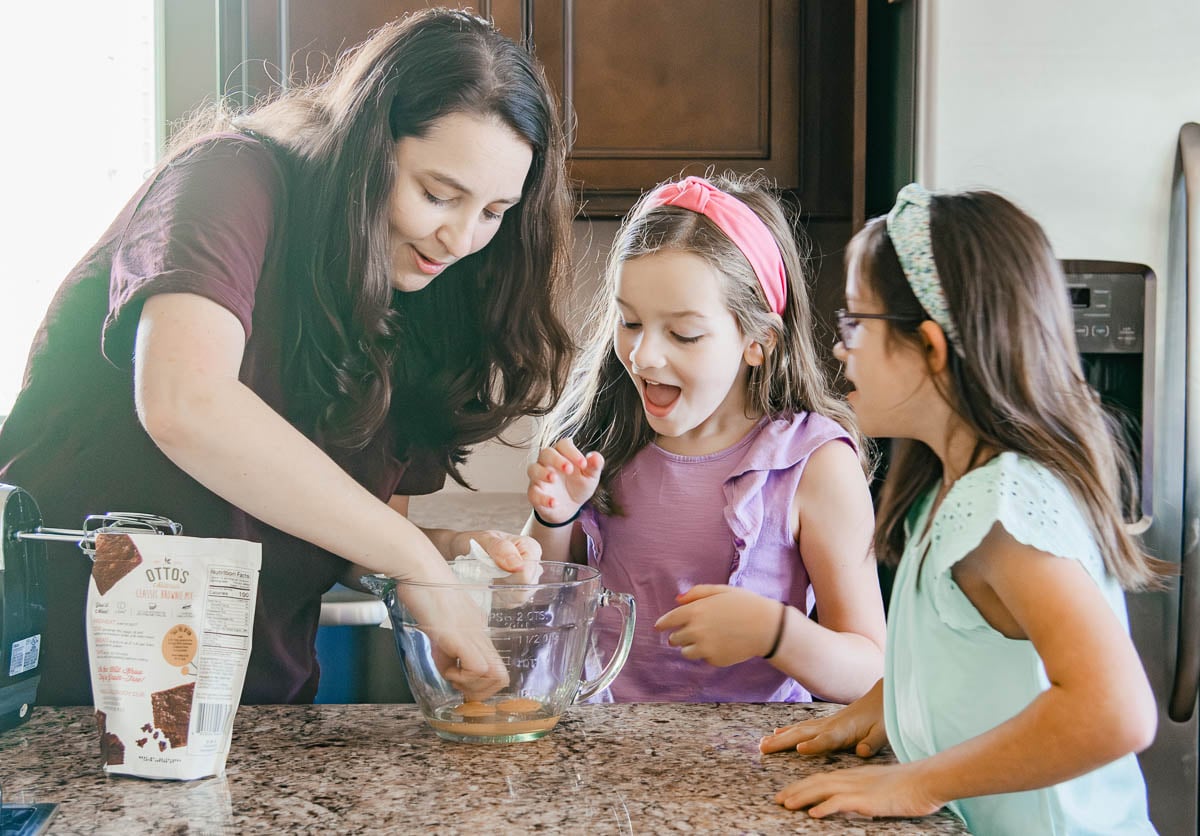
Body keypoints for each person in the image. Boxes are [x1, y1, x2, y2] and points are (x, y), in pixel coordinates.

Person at [0, 8, 575, 705]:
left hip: (252, 711)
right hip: (62, 698)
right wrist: (415, 558)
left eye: (493, 213)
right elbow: (185, 403)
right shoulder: (227, 181)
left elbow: (343, 527)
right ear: (368, 145)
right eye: (437, 194)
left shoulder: (427, 294)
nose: (459, 238)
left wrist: (442, 550)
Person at [761, 184, 1163, 833]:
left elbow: (1113, 710)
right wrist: (883, 704)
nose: (840, 346)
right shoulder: (947, 488)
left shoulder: (1002, 508)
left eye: (855, 322)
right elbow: (969, 650)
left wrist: (917, 783)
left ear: (930, 347)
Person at [524, 173, 886, 704]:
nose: (644, 356)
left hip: (756, 770)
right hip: (606, 756)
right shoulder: (605, 439)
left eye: (683, 334)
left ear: (757, 341)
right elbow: (536, 611)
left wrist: (775, 633)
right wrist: (552, 519)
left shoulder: (813, 464)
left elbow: (871, 675)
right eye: (629, 322)